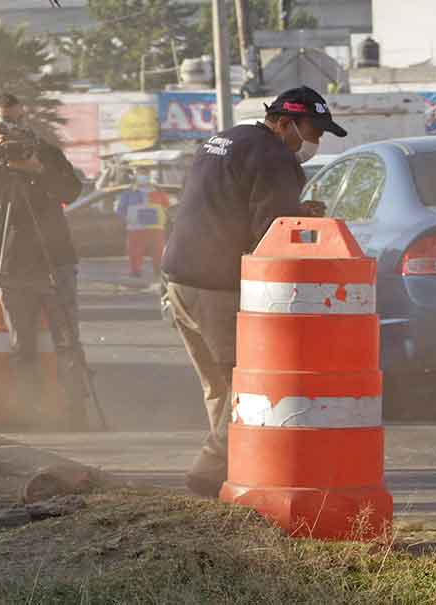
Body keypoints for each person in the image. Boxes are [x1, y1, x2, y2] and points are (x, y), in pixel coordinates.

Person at [162, 86, 343, 498]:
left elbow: (230, 205)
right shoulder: (274, 156)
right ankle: (209, 473)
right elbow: (270, 233)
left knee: (219, 385)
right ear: (283, 123)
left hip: (178, 279)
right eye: (310, 132)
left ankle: (232, 472)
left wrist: (295, 213)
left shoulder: (221, 140)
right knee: (246, 384)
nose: (312, 142)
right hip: (216, 287)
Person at [0, 93, 95, 429]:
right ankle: (32, 412)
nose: (15, 128)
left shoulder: (45, 152)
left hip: (55, 260)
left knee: (68, 341)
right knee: (23, 347)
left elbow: (72, 191)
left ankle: (75, 412)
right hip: (11, 264)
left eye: (19, 120)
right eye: (7, 121)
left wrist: (37, 169)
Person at [115, 165, 170, 280]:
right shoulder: (129, 192)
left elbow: (166, 205)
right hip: (136, 228)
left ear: (149, 175)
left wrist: (164, 217)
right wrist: (127, 220)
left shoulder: (158, 190)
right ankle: (135, 272)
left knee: (158, 252)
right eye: (140, 174)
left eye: (145, 174)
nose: (143, 177)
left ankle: (158, 272)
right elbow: (120, 209)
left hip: (155, 228)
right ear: (136, 176)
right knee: (134, 252)